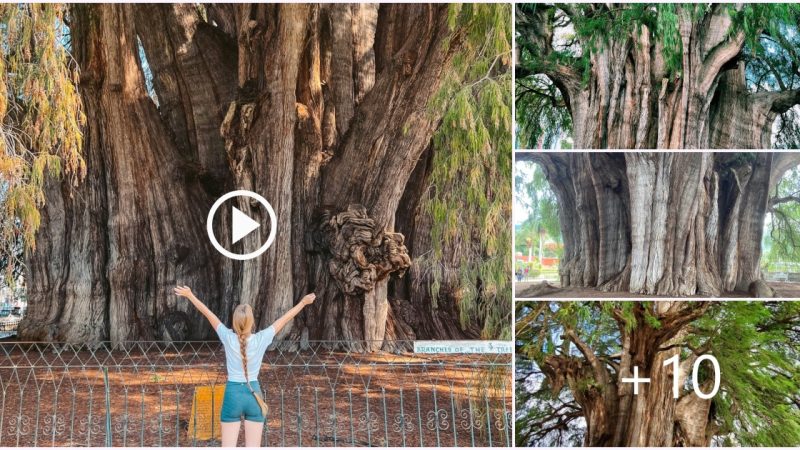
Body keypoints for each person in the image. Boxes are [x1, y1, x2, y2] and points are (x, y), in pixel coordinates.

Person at [174, 285, 315, 447]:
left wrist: (190, 295)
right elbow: (283, 319)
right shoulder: (262, 338)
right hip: (254, 395)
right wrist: (303, 303)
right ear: (252, 322)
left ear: (234, 323)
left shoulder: (227, 337)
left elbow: (207, 313)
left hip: (233, 395)